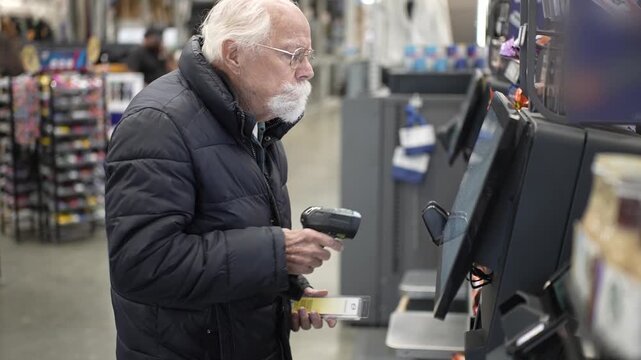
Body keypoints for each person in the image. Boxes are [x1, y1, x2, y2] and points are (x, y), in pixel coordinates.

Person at [105, 1, 343, 359]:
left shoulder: (257, 123)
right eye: (293, 55)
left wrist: (290, 286)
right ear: (234, 54)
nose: (307, 71)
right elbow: (142, 265)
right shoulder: (157, 125)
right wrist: (277, 253)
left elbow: (238, 229)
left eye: (307, 55)